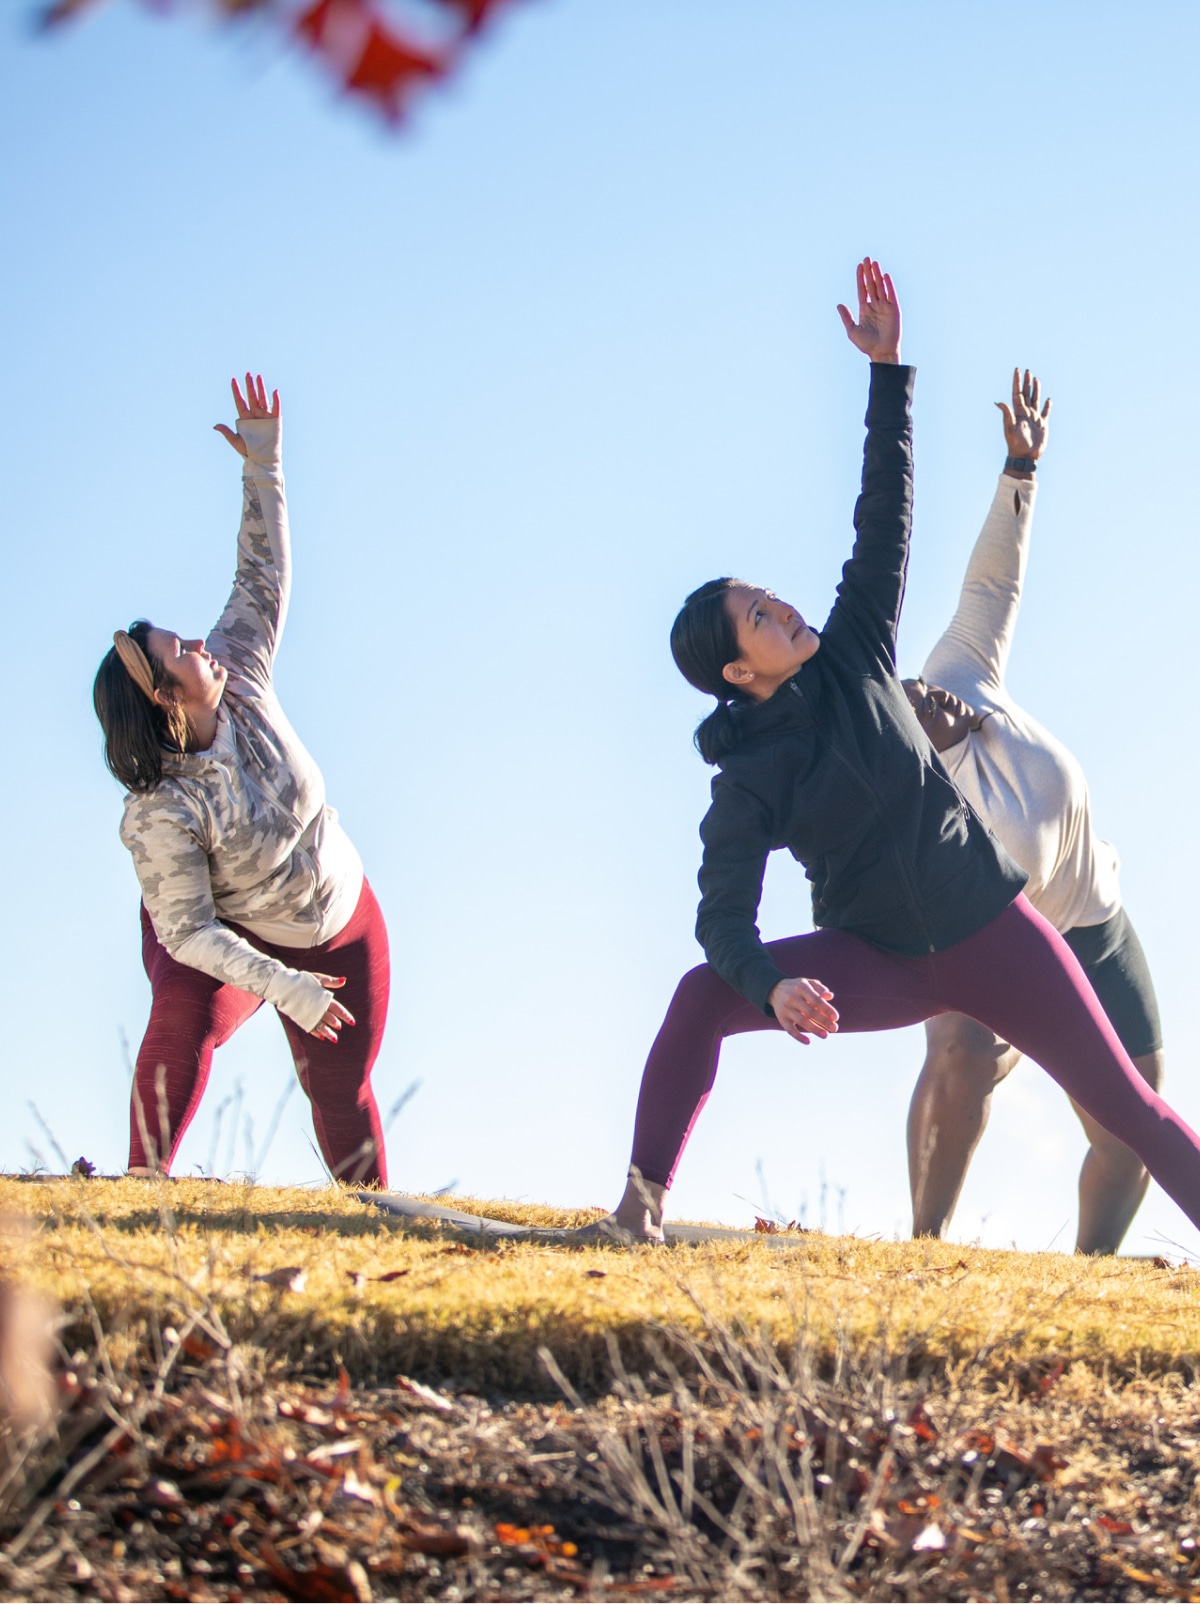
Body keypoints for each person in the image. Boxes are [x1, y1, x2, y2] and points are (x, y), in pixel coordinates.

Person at [586, 259, 1200, 1246]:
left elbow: (887, 508)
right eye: (759, 615)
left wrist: (887, 370)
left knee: (1131, 1105)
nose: (782, 607)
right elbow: (721, 921)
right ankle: (637, 1208)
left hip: (995, 931)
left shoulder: (861, 649)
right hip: (879, 957)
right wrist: (770, 986)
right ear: (739, 674)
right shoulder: (746, 780)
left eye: (770, 596)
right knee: (700, 997)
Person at [93, 375, 390, 1185]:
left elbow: (262, 576)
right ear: (163, 698)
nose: (200, 643)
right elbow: (188, 931)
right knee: (181, 1014)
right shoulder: (161, 812)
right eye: (180, 649)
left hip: (335, 918)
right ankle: (141, 1196)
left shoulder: (241, 673)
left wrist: (265, 466)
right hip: (221, 928)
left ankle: (377, 1230)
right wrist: (283, 987)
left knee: (340, 1089)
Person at [902, 372, 1163, 1253]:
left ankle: (1091, 1270)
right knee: (959, 1054)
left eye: (928, 691)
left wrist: (1020, 469)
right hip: (1007, 950)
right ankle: (926, 1244)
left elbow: (992, 587)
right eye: (928, 714)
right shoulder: (935, 819)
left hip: (1094, 925)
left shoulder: (961, 670)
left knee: (1134, 1126)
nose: (939, 699)